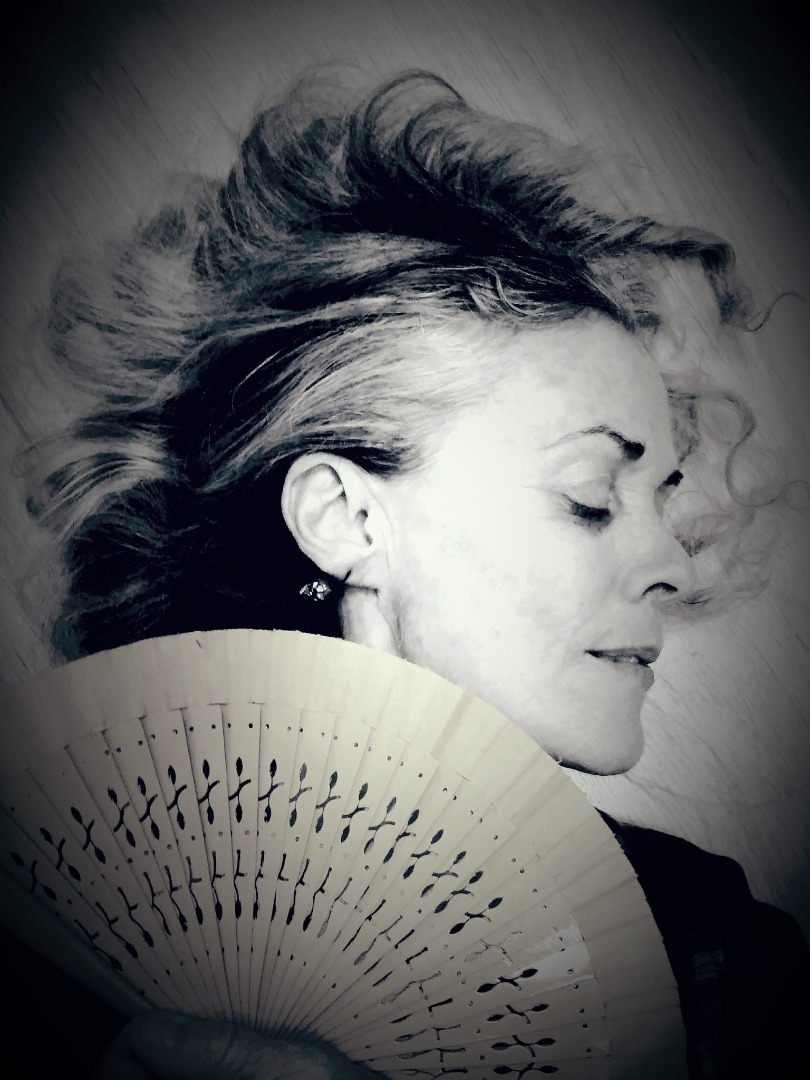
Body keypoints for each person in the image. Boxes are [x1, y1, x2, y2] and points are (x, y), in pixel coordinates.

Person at [21, 69, 808, 1079]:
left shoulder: (719, 955)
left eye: (664, 497)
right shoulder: (57, 916)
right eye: (592, 497)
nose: (671, 563)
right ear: (346, 519)